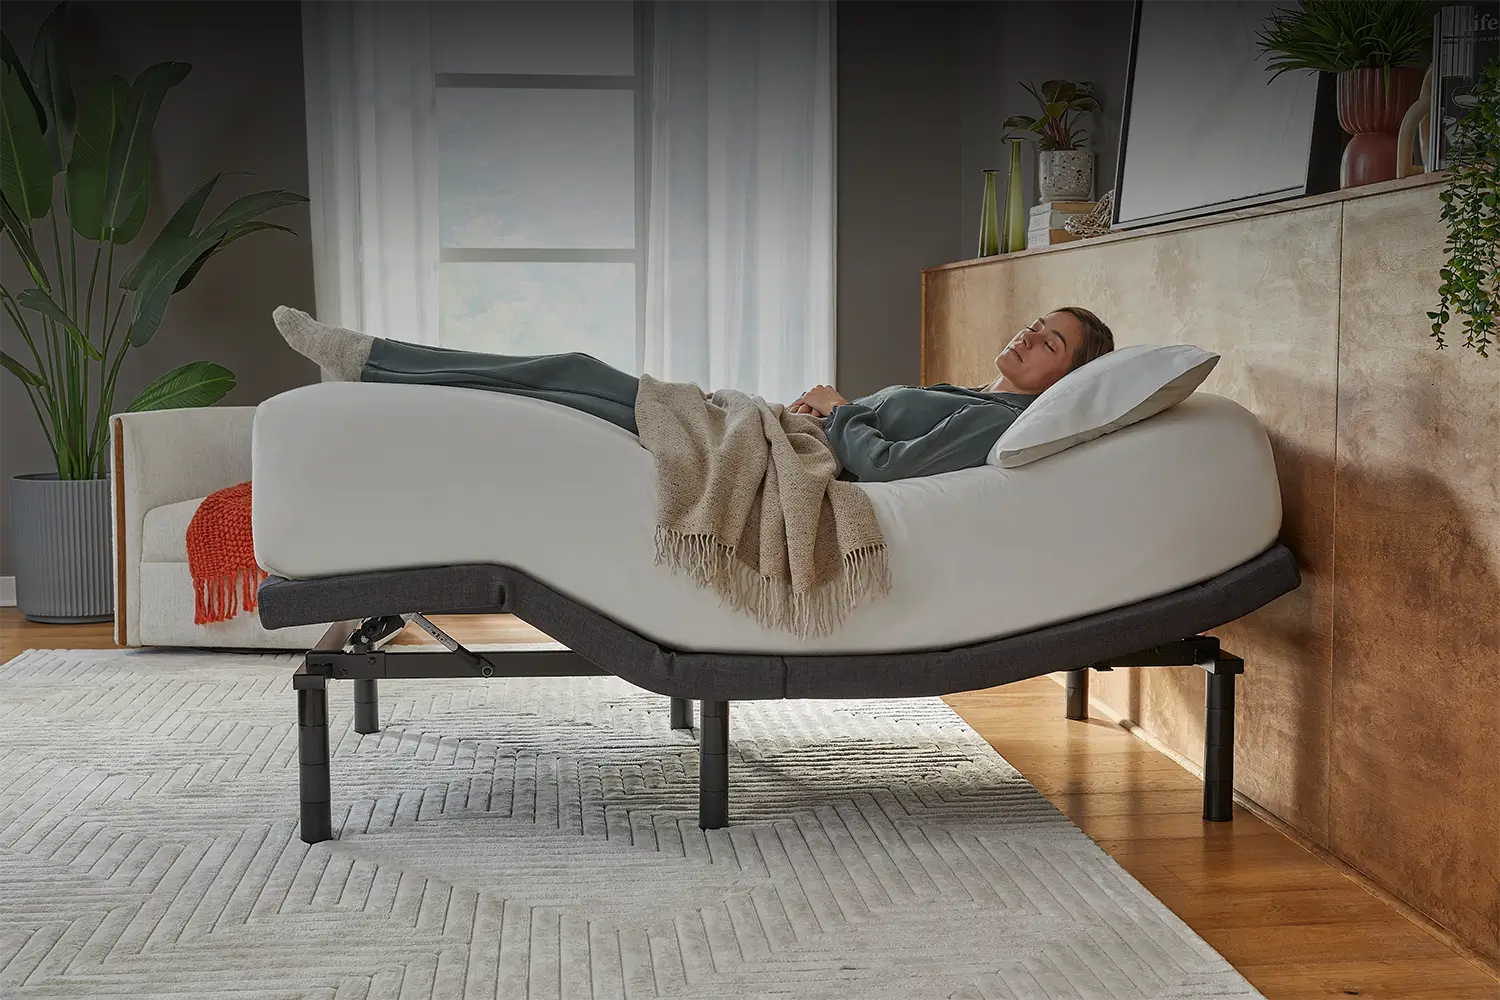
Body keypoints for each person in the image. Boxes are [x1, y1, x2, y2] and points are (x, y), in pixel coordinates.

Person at [272, 304, 1114, 483]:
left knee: (565, 376)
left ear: (1069, 377)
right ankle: (372, 370)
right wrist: (838, 408)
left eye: (1052, 342)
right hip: (771, 428)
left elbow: (890, 468)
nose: (1029, 336)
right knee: (559, 387)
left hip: (773, 447)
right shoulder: (977, 391)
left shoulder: (1005, 423)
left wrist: (840, 409)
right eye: (1035, 322)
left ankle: (369, 362)